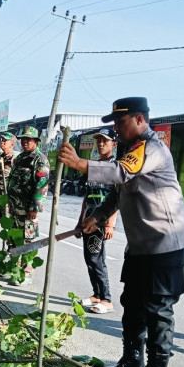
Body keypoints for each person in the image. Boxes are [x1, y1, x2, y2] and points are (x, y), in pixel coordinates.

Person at [58, 97, 184, 367]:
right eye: (115, 124)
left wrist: (81, 164)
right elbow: (120, 192)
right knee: (132, 304)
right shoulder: (128, 150)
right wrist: (97, 216)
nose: (116, 129)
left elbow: (120, 173)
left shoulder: (152, 148)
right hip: (142, 246)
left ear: (140, 120)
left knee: (158, 309)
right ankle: (132, 362)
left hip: (166, 244)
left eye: (120, 123)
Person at [77, 128, 119, 314]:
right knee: (89, 258)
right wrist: (80, 221)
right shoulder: (94, 166)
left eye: (105, 141)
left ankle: (106, 299)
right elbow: (87, 198)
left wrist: (111, 223)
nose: (101, 144)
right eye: (99, 141)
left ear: (114, 144)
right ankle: (97, 294)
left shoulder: (115, 166)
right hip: (89, 219)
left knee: (96, 258)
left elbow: (117, 198)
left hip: (101, 222)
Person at [6, 126, 50, 285]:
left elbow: (42, 185)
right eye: (23, 139)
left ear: (36, 141)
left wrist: (35, 207)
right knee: (14, 239)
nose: (25, 142)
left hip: (28, 209)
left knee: (28, 240)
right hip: (15, 208)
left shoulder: (40, 159)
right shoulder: (20, 158)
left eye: (28, 139)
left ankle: (27, 273)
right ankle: (15, 270)